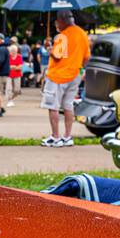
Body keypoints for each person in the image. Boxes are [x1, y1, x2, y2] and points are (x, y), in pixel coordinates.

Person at [41, 8, 90, 147]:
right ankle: (67, 136)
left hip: (58, 76)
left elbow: (57, 56)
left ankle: (55, 137)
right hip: (75, 75)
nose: (57, 25)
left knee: (53, 106)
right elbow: (86, 57)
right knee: (68, 105)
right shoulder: (82, 34)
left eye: (57, 22)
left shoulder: (63, 36)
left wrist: (49, 48)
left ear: (62, 21)